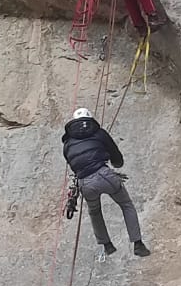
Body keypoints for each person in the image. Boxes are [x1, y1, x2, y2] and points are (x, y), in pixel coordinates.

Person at [61, 108, 151, 257]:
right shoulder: (99, 133)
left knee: (94, 211)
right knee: (126, 204)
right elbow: (115, 154)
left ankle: (107, 245)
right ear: (90, 119)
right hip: (104, 175)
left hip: (85, 182)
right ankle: (138, 244)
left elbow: (73, 164)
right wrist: (117, 164)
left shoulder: (68, 143)